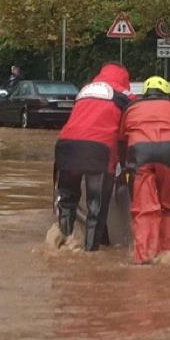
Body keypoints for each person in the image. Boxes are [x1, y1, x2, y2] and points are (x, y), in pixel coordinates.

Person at [54, 63, 133, 252]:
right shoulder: (125, 96)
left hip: (66, 146)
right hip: (98, 150)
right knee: (96, 207)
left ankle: (63, 244)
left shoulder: (85, 90)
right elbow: (129, 130)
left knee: (67, 200)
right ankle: (91, 254)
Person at [119, 76, 170, 265]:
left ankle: (143, 259)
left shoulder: (131, 108)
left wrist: (126, 168)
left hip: (139, 155)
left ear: (145, 93)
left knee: (143, 210)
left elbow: (122, 142)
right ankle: (167, 255)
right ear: (167, 94)